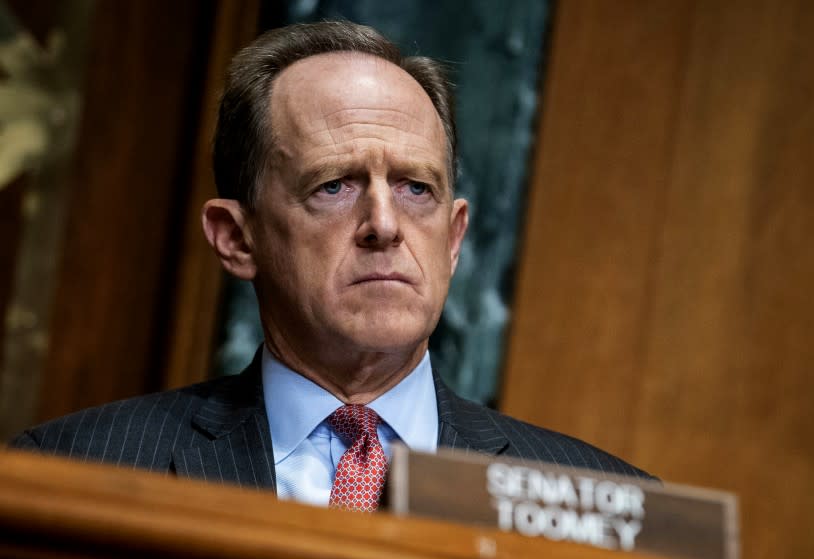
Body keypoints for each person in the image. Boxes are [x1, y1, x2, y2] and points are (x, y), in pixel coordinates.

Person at [10, 21, 652, 511]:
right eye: (335, 185)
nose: (385, 224)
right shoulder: (72, 474)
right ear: (236, 238)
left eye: (415, 189)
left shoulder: (611, 509)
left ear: (453, 239)